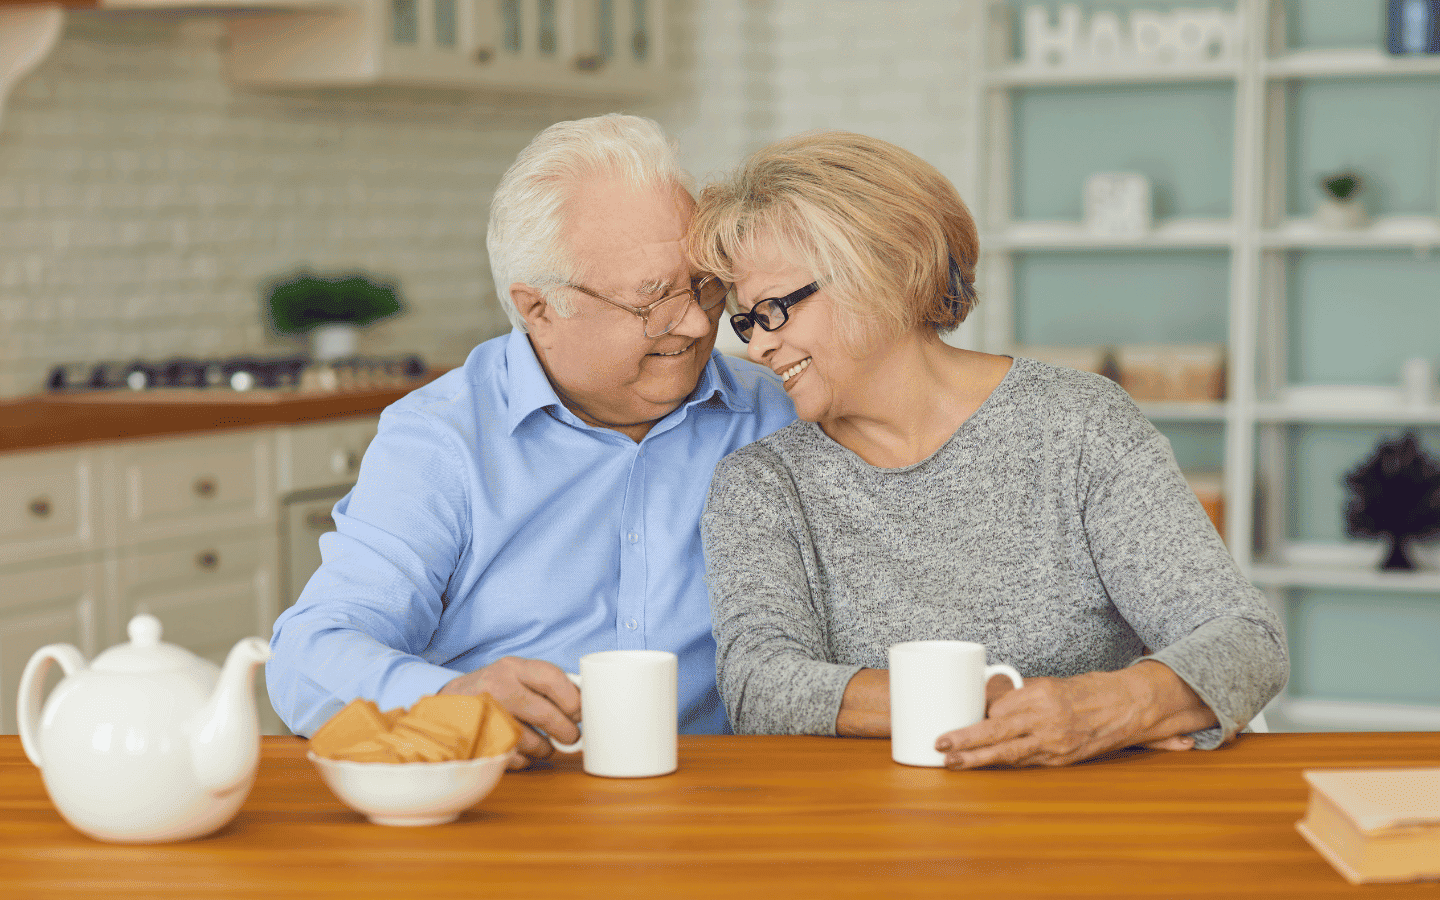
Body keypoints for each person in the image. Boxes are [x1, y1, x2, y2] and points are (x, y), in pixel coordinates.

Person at [689, 131, 1288, 768]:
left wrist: (1108, 708)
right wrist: (980, 704)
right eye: (746, 321)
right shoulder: (762, 481)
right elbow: (760, 686)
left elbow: (1244, 642)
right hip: (871, 829)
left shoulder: (1078, 424)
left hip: (1086, 821)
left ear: (885, 270)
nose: (757, 348)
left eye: (775, 309)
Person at [266, 114, 795, 767]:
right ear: (540, 308)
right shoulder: (443, 439)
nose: (693, 321)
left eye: (705, 285)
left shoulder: (780, 412)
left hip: (721, 795)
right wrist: (451, 696)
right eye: (651, 299)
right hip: (511, 804)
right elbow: (308, 656)